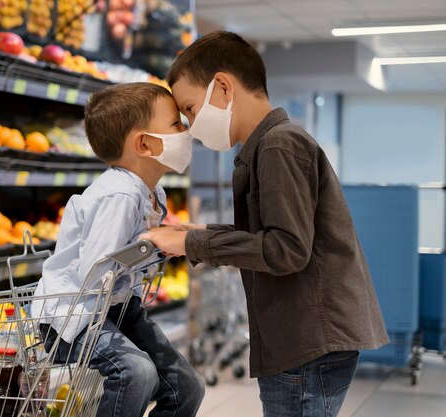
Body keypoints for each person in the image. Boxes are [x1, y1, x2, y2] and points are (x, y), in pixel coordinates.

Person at [140, 31, 388, 417]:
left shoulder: (277, 146)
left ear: (222, 87)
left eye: (189, 109)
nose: (190, 123)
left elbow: (285, 250)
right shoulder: (268, 147)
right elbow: (271, 234)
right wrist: (200, 234)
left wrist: (194, 246)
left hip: (307, 341)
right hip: (304, 339)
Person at [32, 82, 205, 417]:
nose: (185, 129)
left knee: (187, 388)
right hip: (72, 316)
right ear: (143, 143)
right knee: (136, 372)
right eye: (175, 124)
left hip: (119, 310)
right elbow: (96, 272)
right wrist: (153, 245)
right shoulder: (119, 195)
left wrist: (171, 238)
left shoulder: (154, 192)